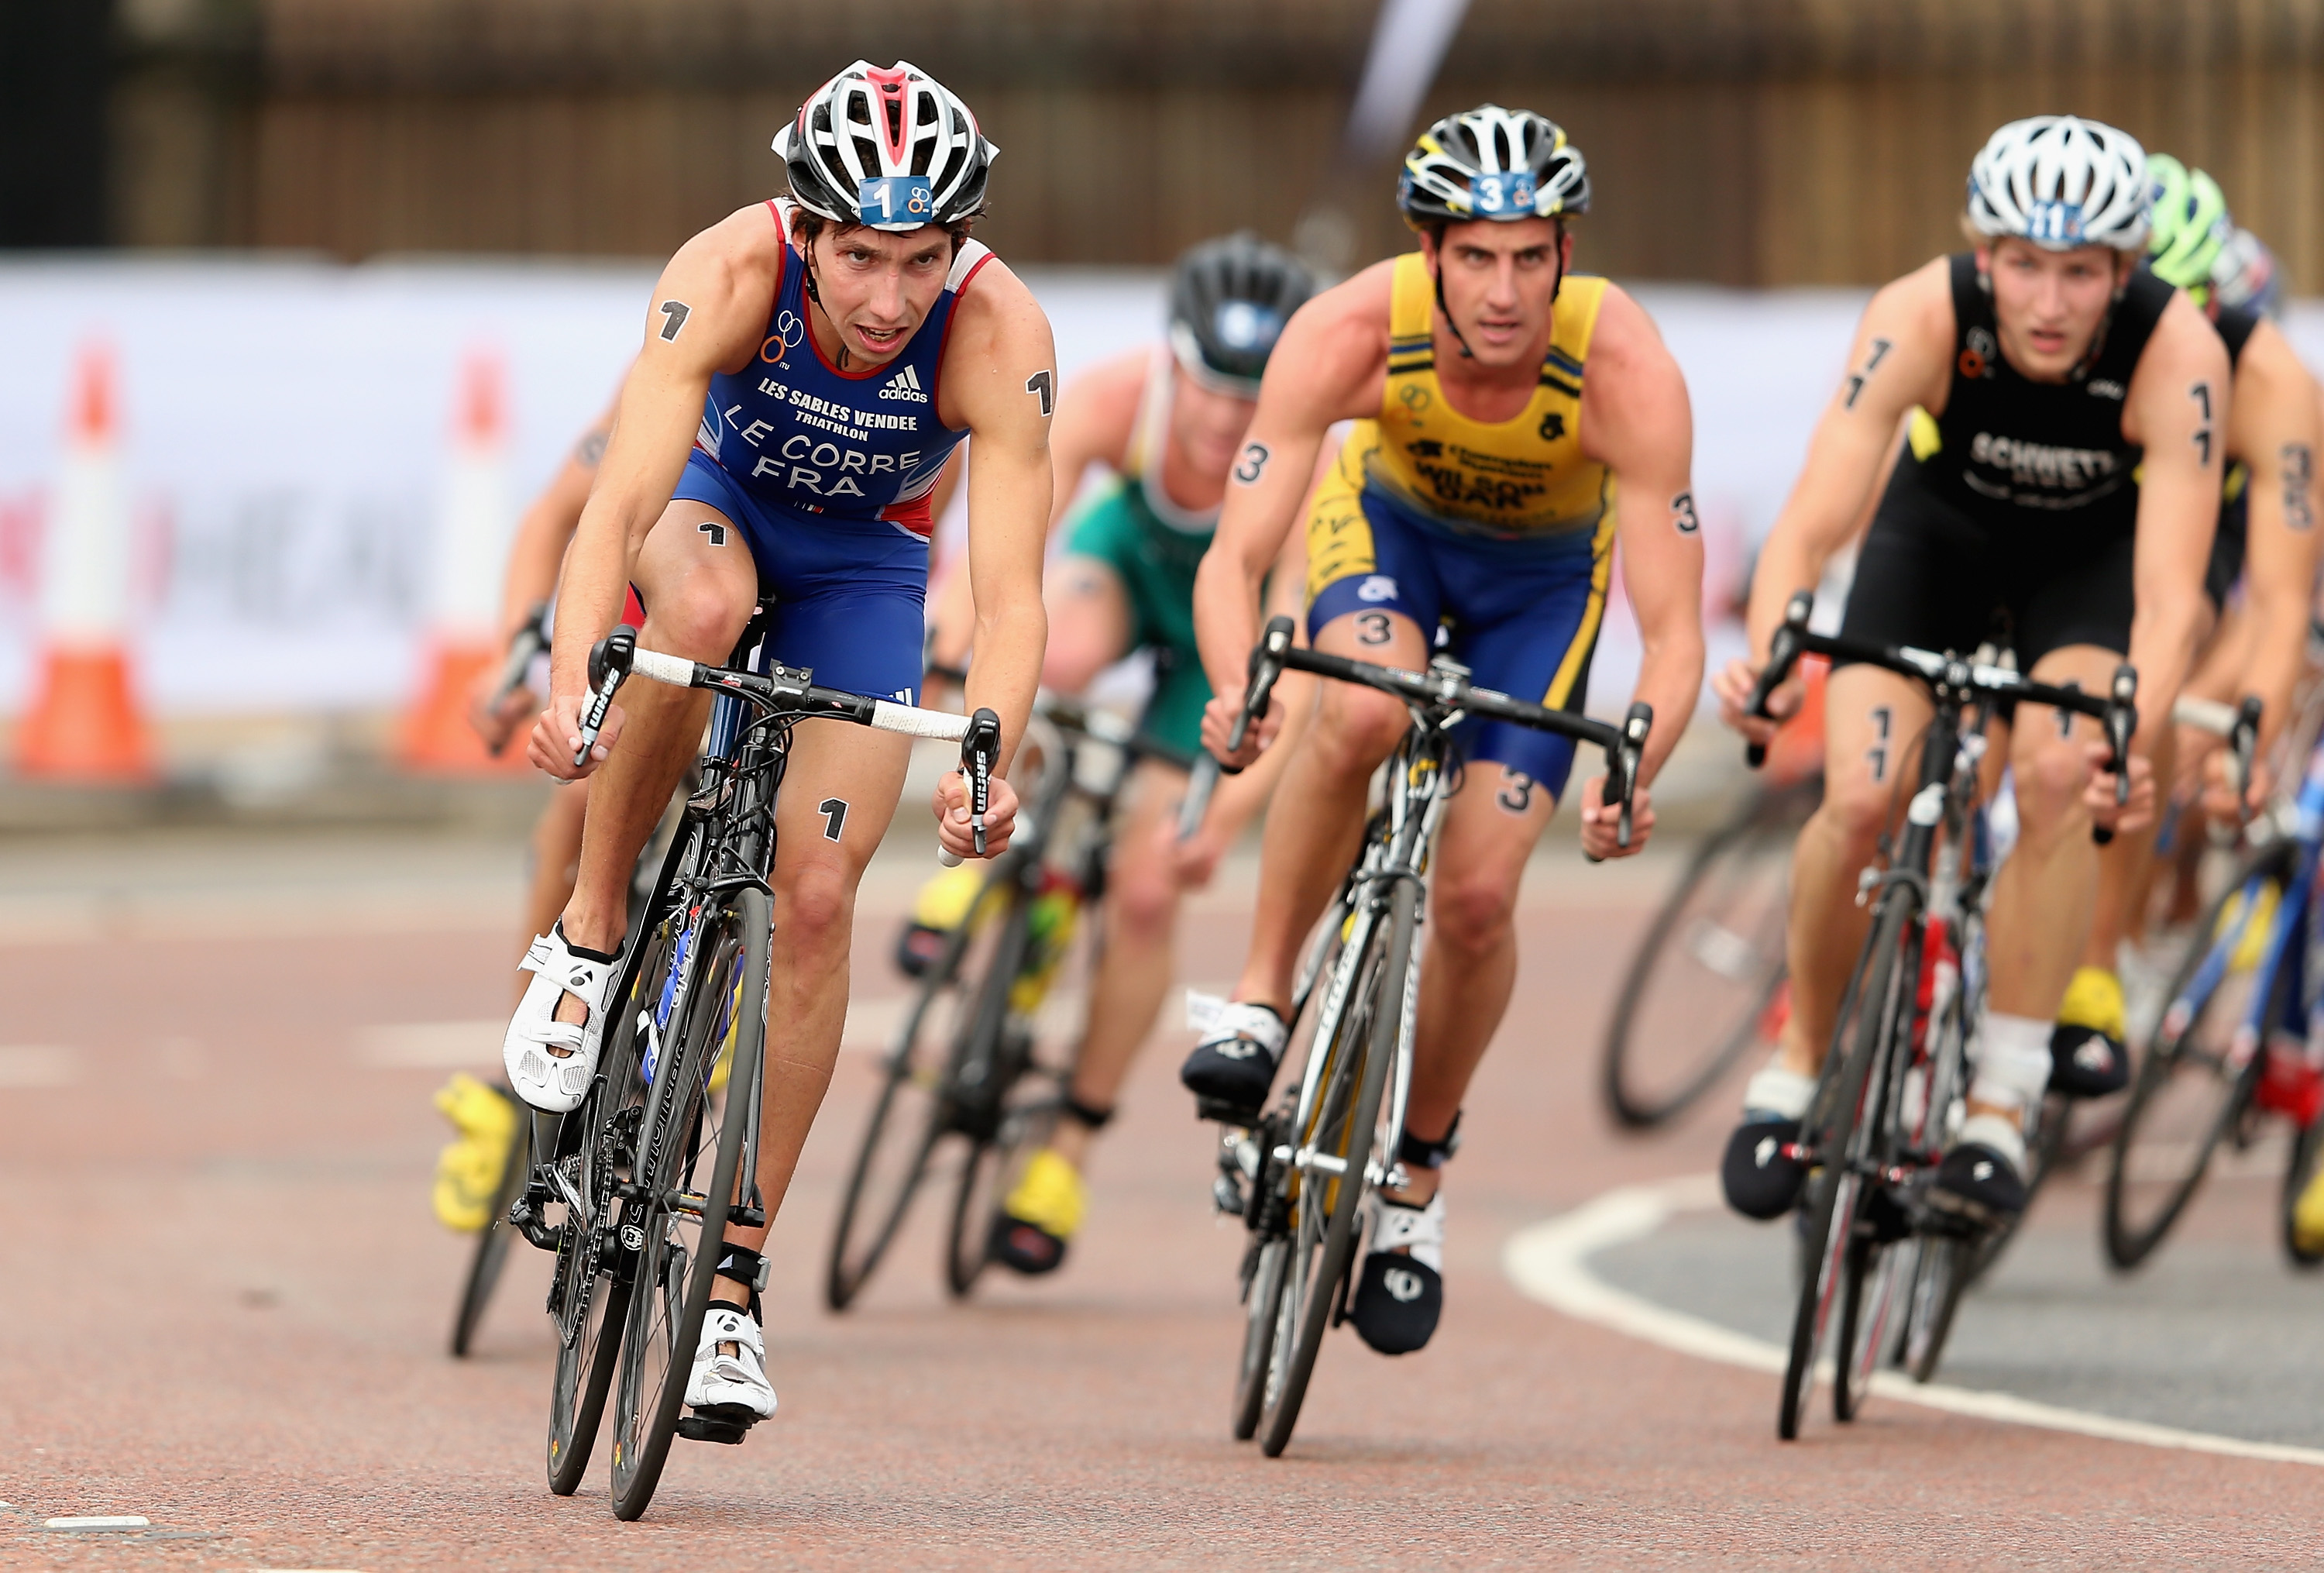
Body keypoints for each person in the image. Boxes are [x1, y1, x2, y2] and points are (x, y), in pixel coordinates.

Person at [505, 60, 1054, 1436]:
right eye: (859, 255)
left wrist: (996, 757)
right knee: (697, 609)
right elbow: (619, 490)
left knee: (815, 901)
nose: (886, 299)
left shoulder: (998, 330)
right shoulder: (727, 272)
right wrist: (576, 671)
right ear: (804, 230)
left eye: (920, 260)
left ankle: (735, 1290)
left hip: (869, 570)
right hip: (713, 509)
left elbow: (1014, 593)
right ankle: (586, 935)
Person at [1187, 106, 1706, 1354]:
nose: (1507, 289)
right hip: (1390, 539)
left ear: (1566, 255)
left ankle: (1415, 1177)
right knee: (1360, 707)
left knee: (1477, 897)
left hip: (1541, 589)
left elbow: (1677, 629)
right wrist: (1237, 687)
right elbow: (1237, 554)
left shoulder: (1625, 368)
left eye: (1533, 257)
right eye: (1478, 256)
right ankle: (1261, 998)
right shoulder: (1353, 329)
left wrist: (1639, 762)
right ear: (1428, 250)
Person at [1715, 115, 2223, 1228]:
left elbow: (2173, 591)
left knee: (2054, 775)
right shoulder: (1922, 312)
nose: (2048, 303)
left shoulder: (2179, 349)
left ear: (2124, 273)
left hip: (2082, 568)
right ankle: (1799, 1058)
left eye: (2081, 273)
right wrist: (1771, 643)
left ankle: (1999, 1101)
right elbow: (1814, 514)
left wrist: (2129, 735)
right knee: (1860, 795)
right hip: (1934, 541)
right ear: (1981, 252)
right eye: (2024, 266)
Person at [936, 234, 1321, 1275]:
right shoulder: (1119, 399)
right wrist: (948, 631)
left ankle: (1068, 1148)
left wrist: (1223, 816)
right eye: (1208, 385)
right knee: (1053, 655)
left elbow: (1293, 671)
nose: (1225, 418)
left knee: (1150, 890)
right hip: (1130, 568)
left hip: (1221, 642)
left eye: (1254, 395)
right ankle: (993, 859)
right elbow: (1007, 548)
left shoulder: (1311, 463)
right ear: (1172, 361)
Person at [2050, 157, 2322, 1097]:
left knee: (2158, 701)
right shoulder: (2056, 325)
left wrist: (2250, 726)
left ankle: (2116, 941)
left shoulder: (2269, 378)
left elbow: (2279, 599)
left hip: (2206, 533)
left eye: (2194, 300)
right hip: (2083, 502)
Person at [428, 401, 616, 1234]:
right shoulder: (678, 360)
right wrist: (516, 654)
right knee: (577, 809)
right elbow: (554, 516)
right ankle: (518, 1080)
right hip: (666, 613)